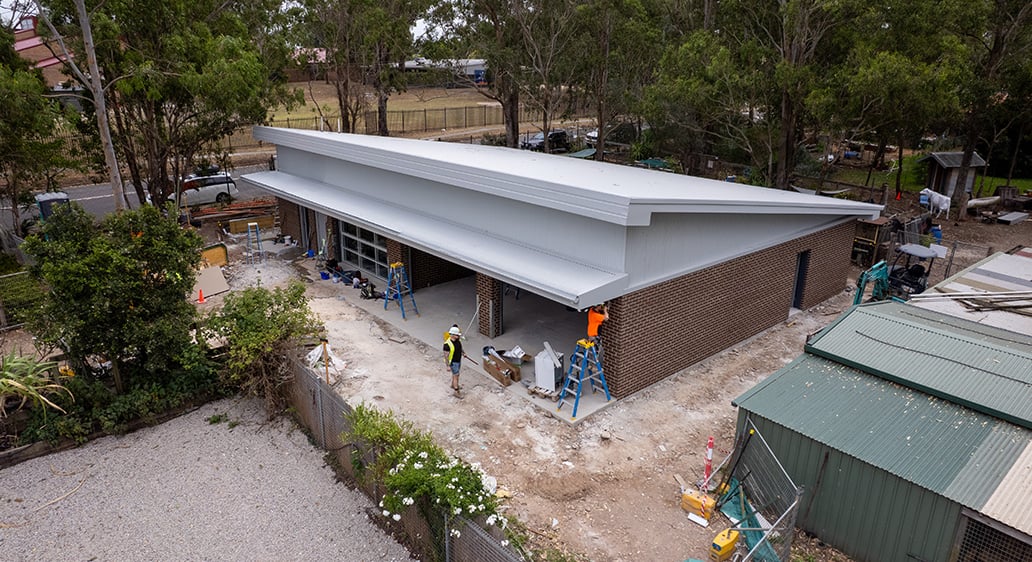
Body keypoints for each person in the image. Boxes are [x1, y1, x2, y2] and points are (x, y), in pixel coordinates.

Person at [443, 325, 464, 393]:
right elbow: (446, 356)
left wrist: (463, 353)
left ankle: (453, 385)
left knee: (455, 374)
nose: (458, 336)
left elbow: (460, 347)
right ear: (452, 335)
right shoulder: (447, 345)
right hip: (453, 362)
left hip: (458, 360)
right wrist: (448, 365)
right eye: (457, 335)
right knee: (456, 376)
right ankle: (456, 390)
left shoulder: (457, 340)